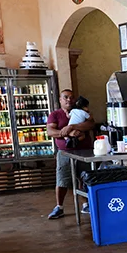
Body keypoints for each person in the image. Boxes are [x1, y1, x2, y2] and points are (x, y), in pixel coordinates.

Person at [46, 90, 95, 220]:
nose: (69, 100)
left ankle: (86, 204)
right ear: (60, 100)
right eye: (66, 97)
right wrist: (66, 133)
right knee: (62, 179)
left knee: (85, 178)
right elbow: (50, 131)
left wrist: (72, 126)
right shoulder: (55, 115)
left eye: (72, 98)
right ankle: (59, 207)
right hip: (65, 153)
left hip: (85, 151)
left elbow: (90, 124)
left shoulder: (81, 111)